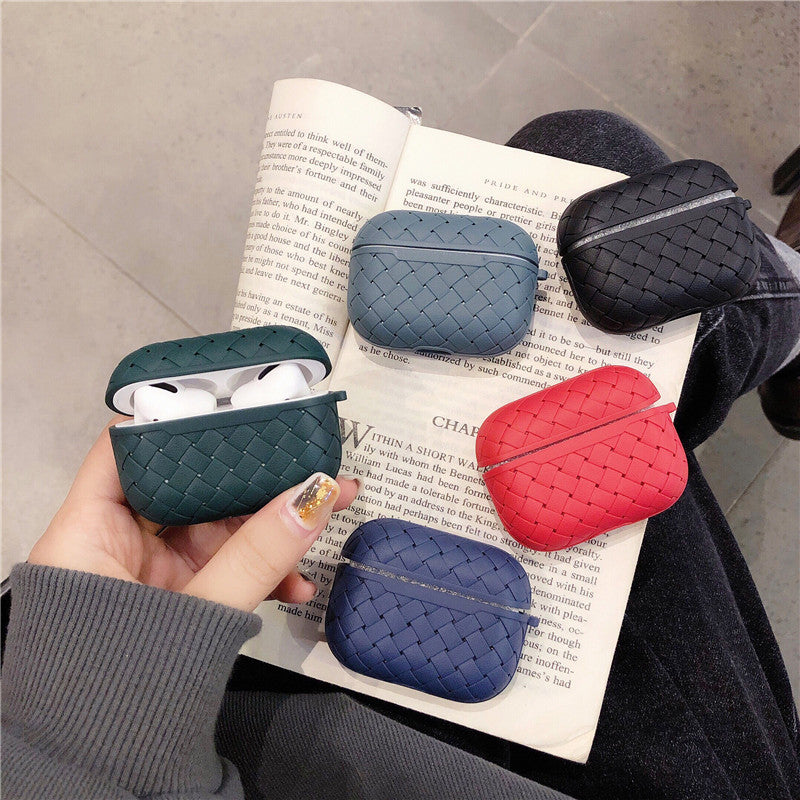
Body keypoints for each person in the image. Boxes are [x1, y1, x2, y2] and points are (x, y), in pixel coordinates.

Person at [2, 111, 799, 800]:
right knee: (590, 146)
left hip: (166, 689)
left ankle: (786, 314)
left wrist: (84, 688)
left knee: (585, 148)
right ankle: (788, 310)